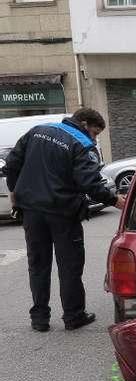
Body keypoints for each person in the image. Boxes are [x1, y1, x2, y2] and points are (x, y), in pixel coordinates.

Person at [4, 108, 126, 332]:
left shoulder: (37, 131)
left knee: (38, 264)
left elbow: (11, 164)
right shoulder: (81, 143)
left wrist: (15, 191)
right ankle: (73, 316)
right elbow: (90, 183)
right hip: (63, 213)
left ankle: (39, 319)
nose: (94, 138)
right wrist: (115, 200)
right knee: (69, 266)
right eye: (95, 133)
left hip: (32, 210)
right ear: (85, 124)